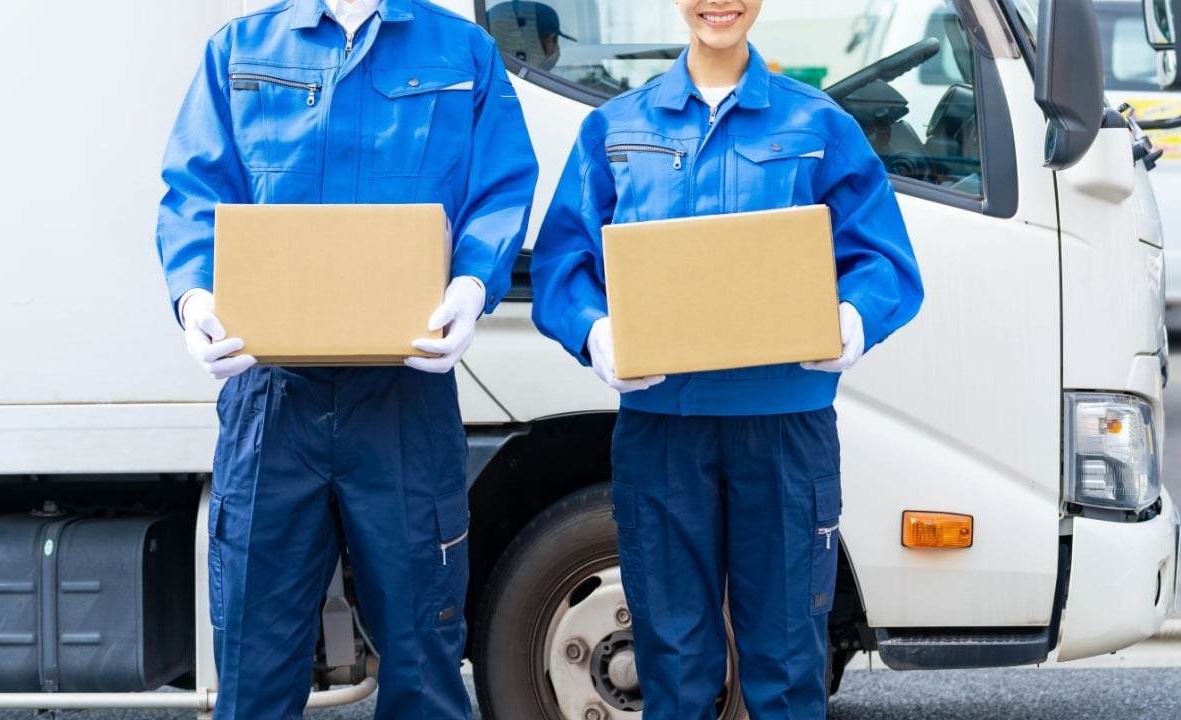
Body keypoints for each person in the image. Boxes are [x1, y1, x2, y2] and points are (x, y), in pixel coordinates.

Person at [530, 1, 922, 718]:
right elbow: (565, 261)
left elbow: (883, 258)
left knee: (785, 662)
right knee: (674, 665)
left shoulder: (817, 126)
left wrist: (852, 318)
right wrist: (596, 334)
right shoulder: (617, 128)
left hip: (783, 430)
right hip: (662, 430)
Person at [154, 0, 538, 718]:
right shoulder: (240, 50)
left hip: (404, 396)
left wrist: (473, 279)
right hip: (272, 396)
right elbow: (196, 191)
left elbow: (501, 183)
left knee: (424, 656)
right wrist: (195, 297)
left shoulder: (461, 53)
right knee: (254, 662)